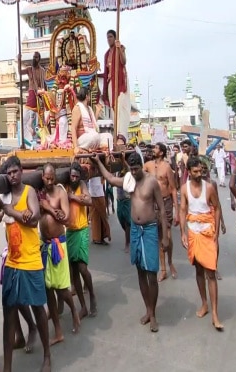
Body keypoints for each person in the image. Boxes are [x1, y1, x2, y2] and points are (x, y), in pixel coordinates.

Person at [94, 152, 169, 332]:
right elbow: (111, 179)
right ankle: (148, 310)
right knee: (140, 271)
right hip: (136, 230)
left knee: (151, 272)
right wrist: (98, 162)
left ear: (141, 166)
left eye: (136, 169)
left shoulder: (152, 182)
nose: (134, 172)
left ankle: (154, 316)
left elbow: (162, 210)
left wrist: (165, 236)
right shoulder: (129, 180)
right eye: (132, 169)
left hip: (150, 230)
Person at [0, 156, 51, 372]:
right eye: (8, 173)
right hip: (12, 260)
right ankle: (7, 367)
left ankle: (47, 355)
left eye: (15, 171)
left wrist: (13, 212)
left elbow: (35, 218)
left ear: (21, 171)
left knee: (38, 307)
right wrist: (3, 209)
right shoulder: (4, 195)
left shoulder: (29, 192)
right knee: (8, 311)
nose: (12, 176)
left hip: (31, 260)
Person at [179, 156, 224, 331]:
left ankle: (215, 313)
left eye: (201, 171)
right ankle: (204, 304)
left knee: (211, 273)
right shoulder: (184, 189)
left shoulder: (210, 188)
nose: (199, 174)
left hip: (207, 232)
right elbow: (183, 209)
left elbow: (218, 207)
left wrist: (216, 232)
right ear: (189, 172)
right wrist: (183, 232)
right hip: (193, 232)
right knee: (198, 269)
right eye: (195, 171)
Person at [38, 163, 80, 344]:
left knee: (62, 289)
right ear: (42, 178)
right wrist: (46, 207)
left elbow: (67, 218)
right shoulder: (39, 194)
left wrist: (48, 208)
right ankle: (58, 331)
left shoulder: (60, 193)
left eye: (51, 178)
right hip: (45, 245)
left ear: (55, 177)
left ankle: (74, 312)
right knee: (48, 290)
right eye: (46, 178)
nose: (48, 181)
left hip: (58, 245)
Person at [65, 161, 97, 318]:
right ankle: (83, 306)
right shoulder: (65, 185)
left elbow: (89, 201)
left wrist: (73, 197)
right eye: (72, 175)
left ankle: (92, 296)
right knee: (74, 271)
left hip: (82, 229)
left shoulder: (81, 185)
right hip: (70, 232)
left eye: (76, 176)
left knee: (83, 268)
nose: (74, 178)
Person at [145, 142, 180, 281]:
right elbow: (135, 173)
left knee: (168, 237)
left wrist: (176, 210)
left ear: (162, 152)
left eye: (156, 148)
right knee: (159, 238)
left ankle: (170, 262)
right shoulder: (148, 165)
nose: (153, 149)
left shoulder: (167, 168)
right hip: (153, 204)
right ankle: (163, 268)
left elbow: (173, 189)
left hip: (165, 203)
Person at [102, 29, 129, 139]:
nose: (109, 39)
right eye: (107, 37)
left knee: (121, 105)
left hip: (120, 82)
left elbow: (124, 62)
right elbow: (106, 72)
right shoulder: (107, 54)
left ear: (115, 37)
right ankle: (116, 134)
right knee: (114, 107)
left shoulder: (120, 48)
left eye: (111, 37)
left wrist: (119, 49)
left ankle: (122, 134)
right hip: (110, 83)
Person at [21, 51, 47, 149]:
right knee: (25, 118)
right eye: (33, 57)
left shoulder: (42, 71)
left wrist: (44, 95)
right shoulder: (29, 69)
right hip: (32, 93)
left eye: (36, 57)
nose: (34, 59)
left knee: (41, 121)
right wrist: (19, 60)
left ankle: (43, 141)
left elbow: (45, 83)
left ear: (39, 59)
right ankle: (27, 141)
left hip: (40, 96)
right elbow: (20, 72)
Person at [71, 86, 107, 152]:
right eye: (90, 95)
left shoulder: (89, 108)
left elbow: (93, 124)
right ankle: (84, 148)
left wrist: (97, 112)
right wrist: (75, 147)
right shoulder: (77, 108)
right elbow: (73, 128)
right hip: (82, 140)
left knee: (108, 136)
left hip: (91, 136)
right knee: (94, 136)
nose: (90, 97)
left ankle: (95, 149)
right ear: (87, 96)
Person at [88, 174, 111, 245]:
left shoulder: (101, 167)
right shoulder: (90, 166)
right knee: (95, 217)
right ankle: (96, 238)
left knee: (102, 217)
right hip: (93, 194)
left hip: (100, 193)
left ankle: (101, 237)